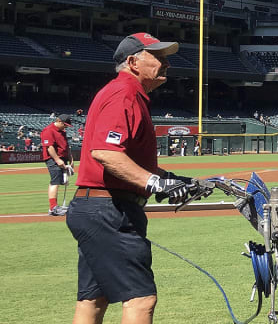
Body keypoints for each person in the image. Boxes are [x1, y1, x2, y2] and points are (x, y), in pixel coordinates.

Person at [66, 33, 208, 324]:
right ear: (132, 62)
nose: (166, 63)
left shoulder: (128, 94)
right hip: (110, 211)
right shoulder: (124, 94)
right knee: (141, 298)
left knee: (94, 297)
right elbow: (106, 153)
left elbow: (133, 162)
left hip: (99, 208)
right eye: (158, 56)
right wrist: (155, 183)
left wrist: (173, 180)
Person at [41, 113, 74, 215]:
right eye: (64, 125)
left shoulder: (62, 132)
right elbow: (49, 147)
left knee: (60, 181)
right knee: (55, 181)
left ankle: (56, 206)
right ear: (59, 121)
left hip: (62, 158)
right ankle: (53, 208)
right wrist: (57, 160)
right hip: (53, 159)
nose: (65, 127)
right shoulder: (48, 130)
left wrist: (71, 160)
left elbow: (66, 147)